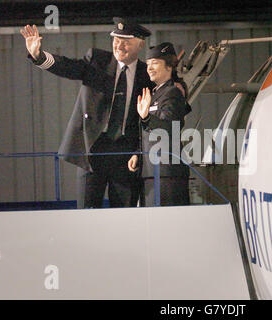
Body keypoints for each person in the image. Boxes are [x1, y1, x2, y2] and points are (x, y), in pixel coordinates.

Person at [20, 18, 154, 208]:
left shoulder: (146, 74)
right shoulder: (97, 60)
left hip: (125, 152)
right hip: (92, 147)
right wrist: (39, 56)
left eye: (126, 41)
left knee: (125, 213)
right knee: (87, 211)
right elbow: (68, 67)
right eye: (116, 40)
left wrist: (138, 151)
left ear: (140, 44)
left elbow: (166, 90)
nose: (119, 46)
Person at [128, 42, 191, 206]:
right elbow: (148, 133)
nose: (149, 68)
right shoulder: (155, 93)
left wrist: (146, 117)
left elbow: (169, 128)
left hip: (167, 173)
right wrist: (138, 153)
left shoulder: (173, 93)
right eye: (148, 64)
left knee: (169, 225)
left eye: (155, 63)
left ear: (169, 67)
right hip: (151, 171)